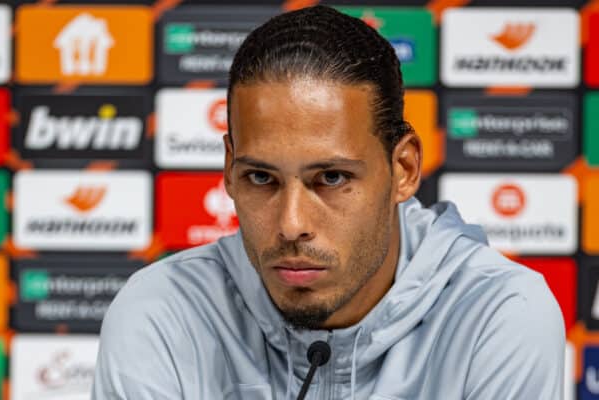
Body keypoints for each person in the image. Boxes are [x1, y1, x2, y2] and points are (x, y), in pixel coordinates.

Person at [92, 5, 565, 400]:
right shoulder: (161, 311)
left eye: (332, 178)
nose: (291, 224)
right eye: (261, 178)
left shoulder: (496, 312)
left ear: (403, 170)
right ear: (229, 169)